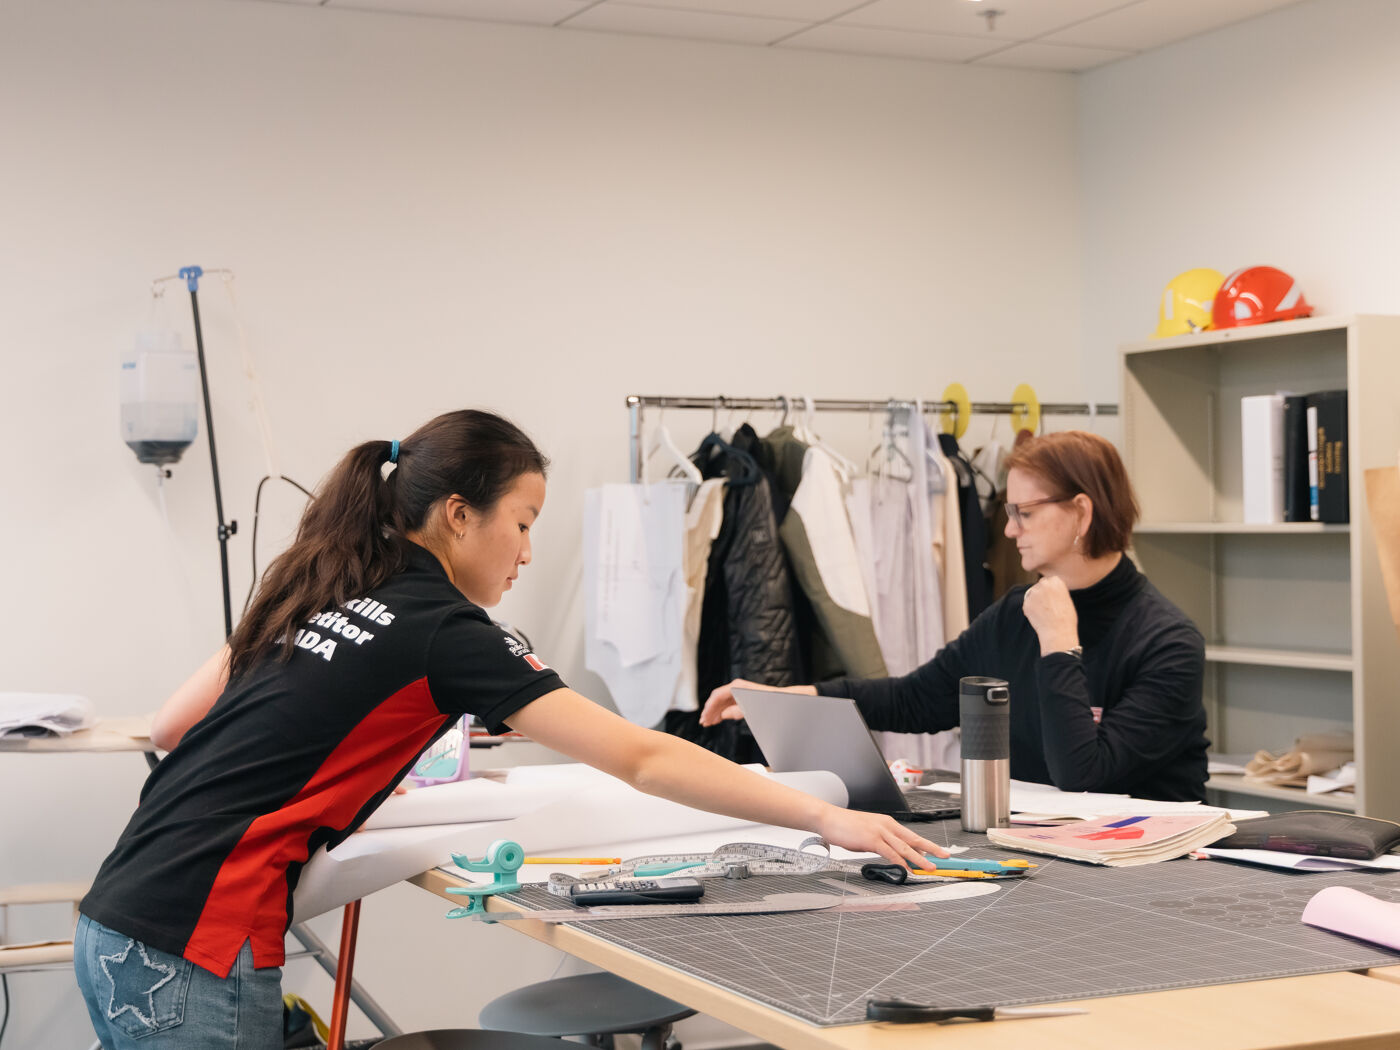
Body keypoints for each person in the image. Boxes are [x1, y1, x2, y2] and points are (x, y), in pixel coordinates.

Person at [74, 409, 946, 1050]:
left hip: (117, 920)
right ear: (460, 515)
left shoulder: (327, 581)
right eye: (522, 524)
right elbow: (639, 756)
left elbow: (172, 724)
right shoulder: (445, 630)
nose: (527, 553)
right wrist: (825, 819)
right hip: (196, 950)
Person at [701, 429, 1209, 803]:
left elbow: (1083, 772)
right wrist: (792, 699)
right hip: (1048, 851)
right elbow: (918, 699)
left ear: (1081, 512)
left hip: (1153, 870)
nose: (1009, 532)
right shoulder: (1016, 612)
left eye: (1023, 514)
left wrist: (1059, 643)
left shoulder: (1167, 642)